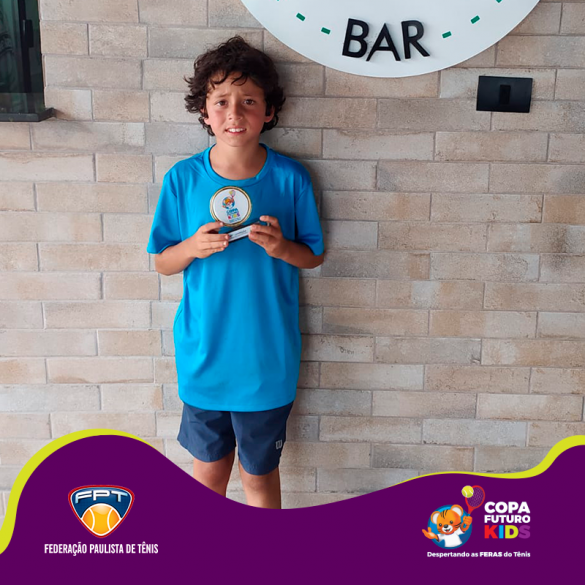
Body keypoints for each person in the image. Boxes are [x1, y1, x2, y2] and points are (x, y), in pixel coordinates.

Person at [147, 36, 325, 509]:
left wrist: (281, 247)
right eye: (221, 101)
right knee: (207, 474)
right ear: (204, 112)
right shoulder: (182, 179)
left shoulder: (290, 178)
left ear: (269, 111)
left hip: (266, 360)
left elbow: (313, 256)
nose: (234, 113)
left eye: (249, 101)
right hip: (204, 356)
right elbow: (162, 262)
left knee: (259, 478)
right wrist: (192, 247)